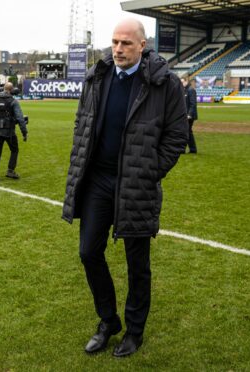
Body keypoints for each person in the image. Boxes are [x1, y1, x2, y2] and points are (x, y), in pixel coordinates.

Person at [61, 18, 188, 357]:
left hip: (136, 182)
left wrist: (149, 171)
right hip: (98, 180)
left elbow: (177, 136)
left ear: (142, 45)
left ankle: (134, 331)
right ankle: (108, 321)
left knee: (137, 263)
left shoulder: (165, 84)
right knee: (88, 252)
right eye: (115, 42)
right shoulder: (97, 76)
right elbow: (82, 122)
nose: (118, 49)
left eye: (126, 43)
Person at [0, 82, 28, 182]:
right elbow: (20, 118)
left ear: (3, 89)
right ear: (11, 90)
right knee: (14, 150)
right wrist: (24, 132)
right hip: (9, 132)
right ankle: (10, 170)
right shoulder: (13, 101)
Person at [182, 77, 198, 154]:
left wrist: (189, 114)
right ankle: (191, 149)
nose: (181, 84)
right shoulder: (184, 90)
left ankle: (191, 149)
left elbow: (193, 103)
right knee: (187, 131)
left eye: (182, 82)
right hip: (185, 115)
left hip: (190, 116)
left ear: (186, 81)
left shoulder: (191, 90)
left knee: (186, 131)